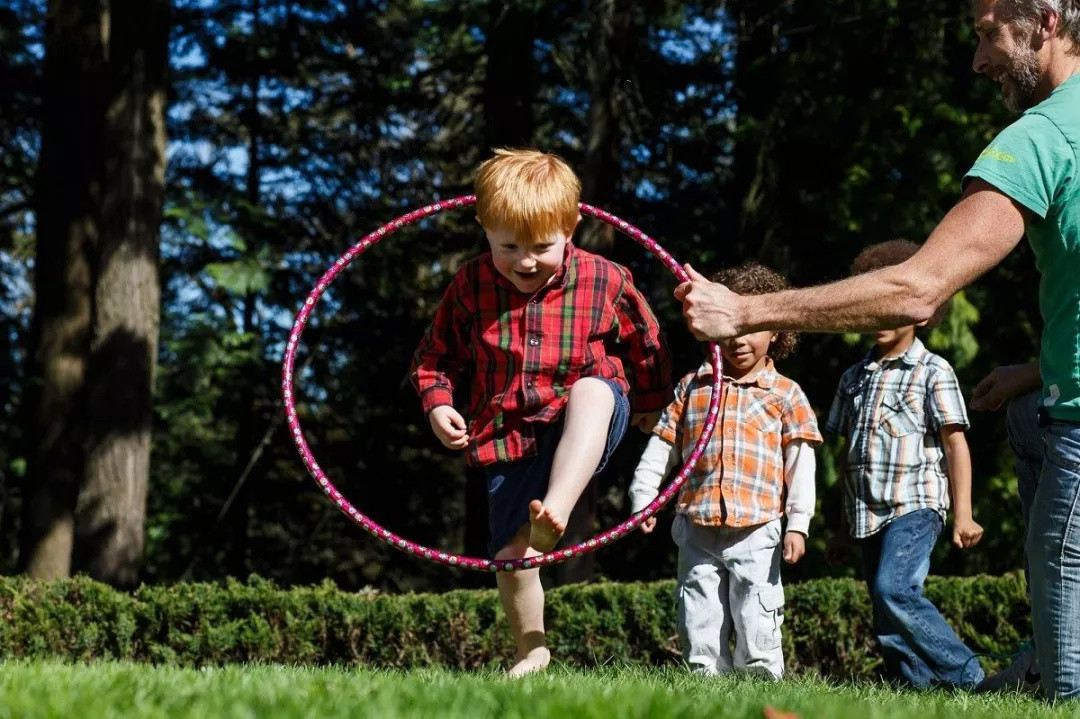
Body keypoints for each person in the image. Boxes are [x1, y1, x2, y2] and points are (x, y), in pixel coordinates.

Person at [674, 0, 1080, 698]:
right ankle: (1041, 657)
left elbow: (918, 290)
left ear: (1044, 20)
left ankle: (1053, 672)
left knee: (1069, 683)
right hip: (1054, 396)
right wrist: (1035, 370)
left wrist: (745, 310)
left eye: (988, 35)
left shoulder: (1043, 134)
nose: (978, 60)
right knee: (1024, 419)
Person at [410, 148, 673, 676]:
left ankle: (556, 505)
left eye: (541, 246)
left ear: (572, 226)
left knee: (592, 391)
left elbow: (648, 345)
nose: (525, 261)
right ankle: (532, 649)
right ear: (483, 225)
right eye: (508, 246)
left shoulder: (606, 278)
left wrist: (650, 404)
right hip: (507, 434)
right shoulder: (469, 285)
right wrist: (439, 406)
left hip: (590, 420)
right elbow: (435, 357)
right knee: (511, 556)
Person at [629, 262, 820, 679]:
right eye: (730, 328)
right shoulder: (693, 388)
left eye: (752, 326)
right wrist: (644, 499)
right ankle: (704, 680)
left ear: (776, 332)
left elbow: (801, 461)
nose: (739, 341)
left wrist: (798, 523)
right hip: (698, 525)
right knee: (698, 610)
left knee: (757, 610)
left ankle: (762, 680)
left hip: (758, 526)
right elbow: (662, 446)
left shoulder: (786, 395)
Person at [824, 240, 985, 689]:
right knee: (884, 611)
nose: (878, 317)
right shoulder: (852, 379)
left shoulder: (933, 371)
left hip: (915, 503)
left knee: (895, 590)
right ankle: (915, 692)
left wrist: (964, 513)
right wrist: (839, 528)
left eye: (889, 306)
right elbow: (846, 457)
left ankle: (970, 676)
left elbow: (956, 445)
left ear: (921, 312)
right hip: (865, 512)